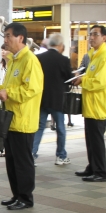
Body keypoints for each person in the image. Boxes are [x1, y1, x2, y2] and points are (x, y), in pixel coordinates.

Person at [0, 22, 43, 210]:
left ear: (20, 38)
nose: (5, 40)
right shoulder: (14, 60)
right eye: (5, 36)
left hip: (23, 121)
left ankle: (26, 198)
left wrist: (8, 94)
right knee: (11, 161)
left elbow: (32, 89)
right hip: (11, 120)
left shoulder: (30, 61)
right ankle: (16, 195)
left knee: (22, 162)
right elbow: (12, 84)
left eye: (8, 36)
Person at [73, 25, 106, 183]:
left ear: (104, 38)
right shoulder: (94, 56)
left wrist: (83, 80)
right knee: (90, 140)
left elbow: (101, 82)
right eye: (90, 34)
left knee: (96, 142)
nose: (91, 37)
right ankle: (92, 167)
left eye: (95, 34)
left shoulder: (104, 58)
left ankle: (101, 172)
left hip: (98, 107)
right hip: (90, 105)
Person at [32, 33, 73, 166]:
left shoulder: (38, 58)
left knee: (39, 127)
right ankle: (61, 156)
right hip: (57, 100)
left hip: (42, 98)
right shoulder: (63, 60)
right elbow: (69, 78)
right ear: (60, 45)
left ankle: (32, 154)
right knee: (60, 128)